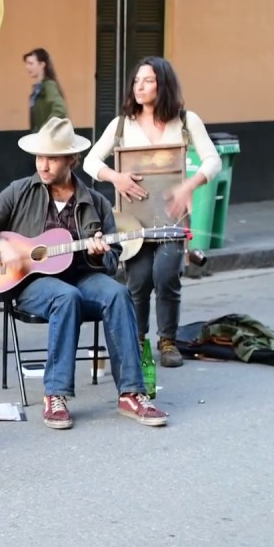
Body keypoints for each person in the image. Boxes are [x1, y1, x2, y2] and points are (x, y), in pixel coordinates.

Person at [0, 118, 168, 429]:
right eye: (40, 157)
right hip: (31, 282)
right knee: (65, 296)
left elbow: (111, 261)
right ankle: (55, 395)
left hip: (82, 277)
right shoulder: (20, 191)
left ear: (72, 159)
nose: (43, 165)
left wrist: (97, 254)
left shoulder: (95, 202)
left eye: (52, 158)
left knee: (117, 293)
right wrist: (1, 246)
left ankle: (131, 393)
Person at [83, 56, 221, 368]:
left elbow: (213, 161)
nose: (140, 87)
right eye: (137, 81)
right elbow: (91, 161)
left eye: (148, 80)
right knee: (139, 280)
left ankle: (168, 340)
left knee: (166, 275)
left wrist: (189, 186)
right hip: (133, 220)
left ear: (164, 84)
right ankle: (138, 339)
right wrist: (116, 177)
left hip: (172, 218)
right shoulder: (122, 124)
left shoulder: (186, 121)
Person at [23, 48, 68, 131]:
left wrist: (45, 129)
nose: (27, 67)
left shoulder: (49, 85)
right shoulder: (38, 88)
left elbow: (60, 110)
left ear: (42, 64)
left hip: (48, 136)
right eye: (26, 64)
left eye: (31, 63)